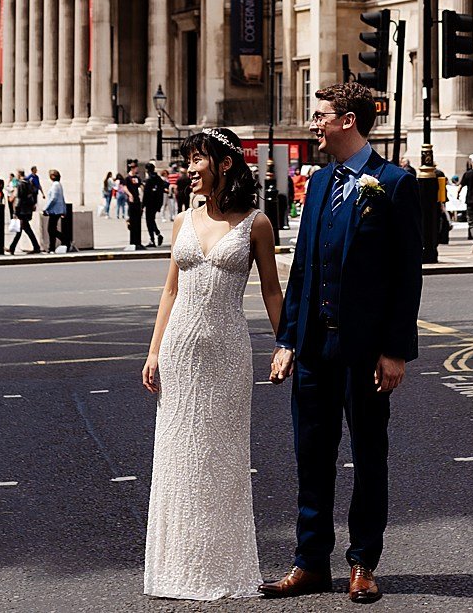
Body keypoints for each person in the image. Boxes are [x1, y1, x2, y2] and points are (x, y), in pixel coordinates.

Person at [260, 83, 420, 605]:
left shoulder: (394, 183)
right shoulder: (322, 180)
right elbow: (304, 265)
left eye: (321, 115)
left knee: (368, 455)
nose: (314, 123)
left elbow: (406, 277)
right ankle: (310, 563)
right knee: (312, 456)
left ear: (348, 121)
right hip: (312, 347)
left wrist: (395, 350)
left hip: (365, 349)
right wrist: (287, 338)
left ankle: (362, 563)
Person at [141, 127, 284, 600]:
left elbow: (270, 289)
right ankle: (176, 568)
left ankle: (219, 567)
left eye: (196, 160)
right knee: (178, 456)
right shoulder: (182, 221)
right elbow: (170, 289)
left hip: (226, 351)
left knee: (219, 459)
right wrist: (155, 349)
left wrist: (286, 342)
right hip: (181, 348)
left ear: (224, 164)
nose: (188, 171)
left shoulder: (256, 223)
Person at [9, 170, 42, 254]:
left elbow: (19, 198)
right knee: (25, 229)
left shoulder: (20, 184)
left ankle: (12, 248)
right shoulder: (29, 183)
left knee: (22, 230)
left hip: (21, 210)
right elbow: (32, 195)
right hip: (27, 210)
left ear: (19, 174)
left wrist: (16, 212)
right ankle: (12, 247)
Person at [143, 162, 167, 248]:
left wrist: (142, 206)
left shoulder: (149, 180)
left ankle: (152, 239)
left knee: (149, 221)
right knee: (152, 220)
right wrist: (159, 205)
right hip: (156, 203)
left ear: (147, 170)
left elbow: (146, 194)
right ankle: (158, 234)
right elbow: (162, 191)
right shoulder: (159, 179)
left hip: (149, 203)